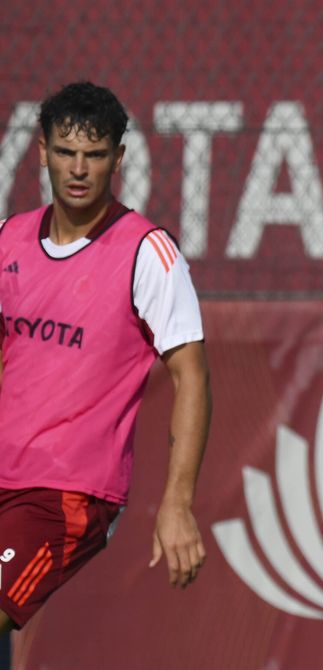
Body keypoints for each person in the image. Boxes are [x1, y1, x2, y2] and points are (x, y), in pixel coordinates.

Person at [0, 81, 211, 634]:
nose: (78, 168)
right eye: (66, 152)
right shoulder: (8, 240)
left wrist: (178, 503)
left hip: (67, 494)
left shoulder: (148, 251)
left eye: (94, 156)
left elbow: (192, 379)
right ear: (42, 151)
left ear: (117, 159)